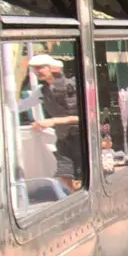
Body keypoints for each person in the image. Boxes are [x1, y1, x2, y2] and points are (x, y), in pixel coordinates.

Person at [28, 53, 83, 192]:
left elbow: (86, 117)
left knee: (82, 176)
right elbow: (21, 106)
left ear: (53, 68)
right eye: (35, 68)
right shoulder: (42, 91)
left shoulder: (75, 86)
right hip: (64, 139)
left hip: (82, 139)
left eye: (41, 67)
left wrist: (53, 121)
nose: (37, 71)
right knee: (65, 175)